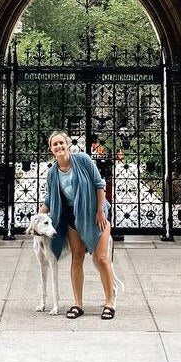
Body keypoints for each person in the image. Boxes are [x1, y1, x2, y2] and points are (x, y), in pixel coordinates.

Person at [38, 130, 118, 320]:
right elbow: (50, 197)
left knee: (101, 258)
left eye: (61, 143)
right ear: (51, 149)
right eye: (54, 144)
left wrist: (100, 211)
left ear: (67, 144)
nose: (58, 147)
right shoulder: (52, 172)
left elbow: (99, 184)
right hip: (72, 218)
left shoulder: (82, 160)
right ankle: (78, 304)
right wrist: (38, 217)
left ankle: (109, 302)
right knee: (77, 257)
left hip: (94, 215)